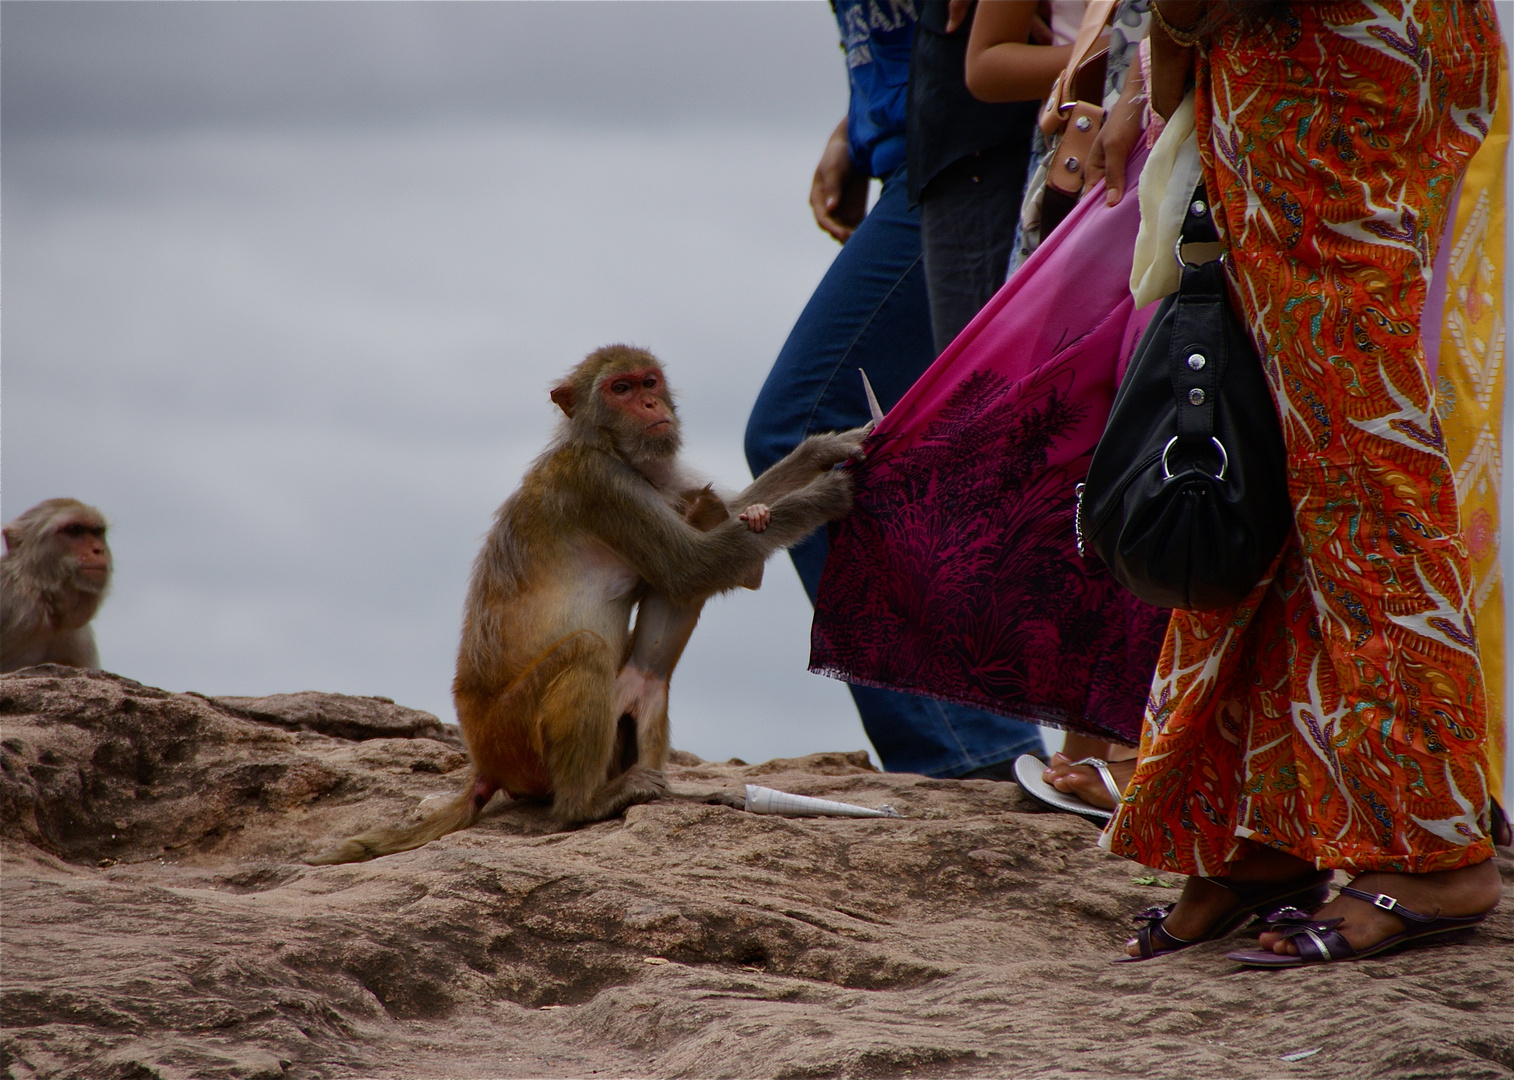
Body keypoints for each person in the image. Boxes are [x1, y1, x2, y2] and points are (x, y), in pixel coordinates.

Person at [1101, 0, 1505, 965]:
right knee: (1295, 458)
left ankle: (1433, 846)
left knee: (1357, 464)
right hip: (1369, 47)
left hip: (1314, 58)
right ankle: (1264, 830)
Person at [746, 0, 1044, 779]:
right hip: (917, 150)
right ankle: (975, 736)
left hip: (975, 153)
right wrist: (857, 125)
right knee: (903, 439)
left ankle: (970, 744)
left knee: (808, 428)